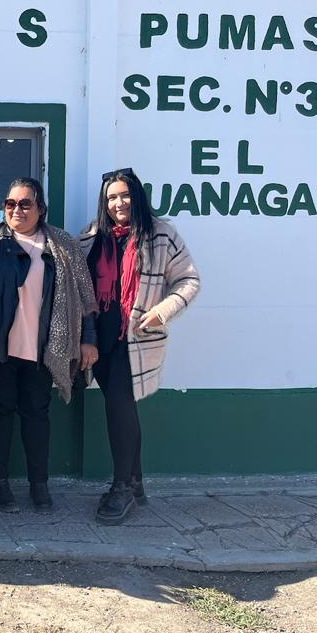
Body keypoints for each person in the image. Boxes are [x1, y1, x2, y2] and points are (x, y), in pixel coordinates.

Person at [81, 167, 200, 524]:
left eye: (125, 195)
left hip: (135, 338)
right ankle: (136, 482)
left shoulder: (161, 234)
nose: (119, 203)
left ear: (137, 196)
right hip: (99, 339)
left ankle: (122, 487)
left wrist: (162, 312)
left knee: (119, 407)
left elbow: (189, 280)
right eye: (112, 197)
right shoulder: (92, 236)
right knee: (121, 408)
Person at [0, 177, 98, 514]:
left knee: (37, 415)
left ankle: (39, 484)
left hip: (45, 348)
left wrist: (88, 338)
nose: (16, 210)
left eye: (25, 203)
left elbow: (85, 297)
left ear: (41, 208)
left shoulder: (62, 244)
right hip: (0, 347)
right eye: (10, 203)